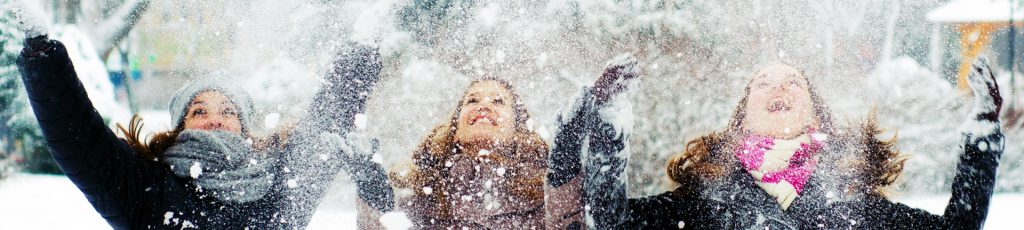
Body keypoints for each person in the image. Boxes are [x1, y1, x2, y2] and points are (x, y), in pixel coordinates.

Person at [555, 60, 1004, 229]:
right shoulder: (704, 202)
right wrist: (610, 126)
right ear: (741, 120)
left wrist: (982, 134)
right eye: (763, 82)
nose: (779, 87)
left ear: (815, 116)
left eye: (793, 82)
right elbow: (609, 221)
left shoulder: (854, 205)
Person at [15, 33, 392, 229]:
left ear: (244, 129)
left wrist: (368, 42)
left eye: (229, 111)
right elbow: (78, 136)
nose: (215, 119)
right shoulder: (147, 188)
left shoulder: (279, 184)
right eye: (199, 111)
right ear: (180, 128)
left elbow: (329, 116)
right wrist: (41, 56)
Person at [384, 54, 641, 229]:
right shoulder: (415, 198)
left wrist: (603, 131)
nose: (484, 105)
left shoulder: (548, 192)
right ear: (455, 129)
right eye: (472, 100)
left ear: (518, 129)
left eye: (498, 101)